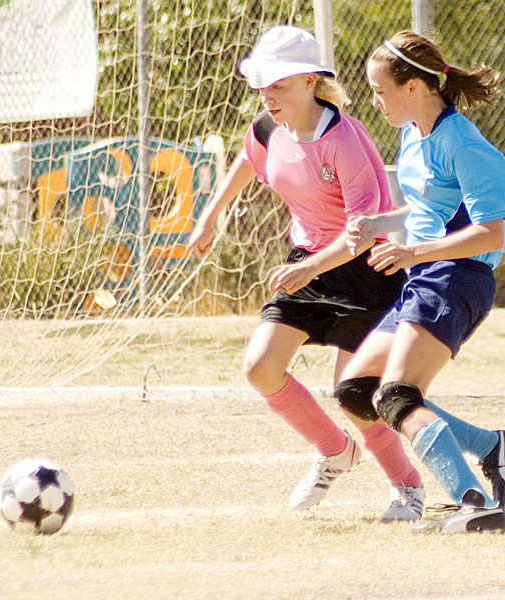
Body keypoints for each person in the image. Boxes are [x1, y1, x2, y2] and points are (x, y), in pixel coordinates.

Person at [190, 25, 425, 521]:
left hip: (364, 272)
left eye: (277, 84)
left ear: (310, 81)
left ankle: (406, 486)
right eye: (262, 84)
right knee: (260, 367)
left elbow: (363, 232)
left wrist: (311, 267)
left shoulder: (346, 142)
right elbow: (247, 161)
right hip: (308, 264)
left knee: (356, 397)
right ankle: (335, 452)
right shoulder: (267, 128)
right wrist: (209, 217)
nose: (267, 95)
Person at [340, 30, 505, 533]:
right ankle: (492, 448)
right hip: (428, 274)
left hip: (459, 277)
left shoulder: (463, 142)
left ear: (413, 86)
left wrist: (412, 252)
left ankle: (475, 501)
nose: (374, 101)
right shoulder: (412, 133)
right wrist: (379, 223)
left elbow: (495, 230)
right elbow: (429, 207)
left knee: (397, 394)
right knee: (358, 388)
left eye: (380, 90)